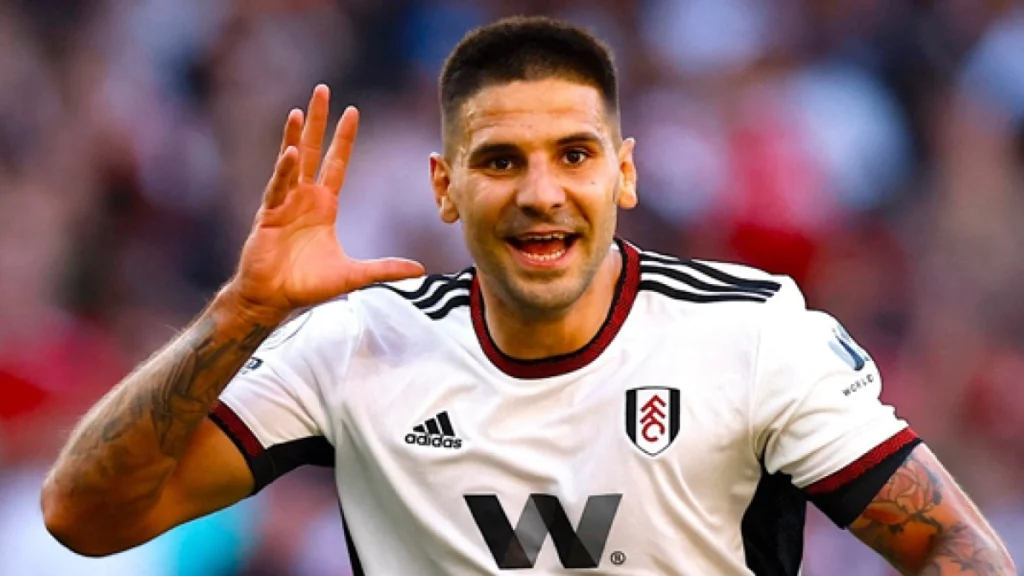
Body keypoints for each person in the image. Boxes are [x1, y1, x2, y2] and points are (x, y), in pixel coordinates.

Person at [40, 16, 1015, 575]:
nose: (541, 192)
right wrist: (239, 316)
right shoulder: (354, 347)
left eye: (574, 155)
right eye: (501, 160)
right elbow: (86, 518)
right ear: (444, 188)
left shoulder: (752, 333)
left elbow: (950, 548)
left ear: (624, 173)